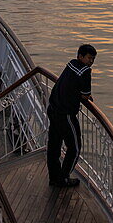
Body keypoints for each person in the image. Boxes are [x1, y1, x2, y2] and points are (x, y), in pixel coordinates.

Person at [47, 43, 97, 187]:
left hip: (53, 108)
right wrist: (86, 96)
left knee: (54, 146)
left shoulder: (71, 64)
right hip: (65, 113)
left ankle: (54, 177)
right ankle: (63, 178)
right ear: (80, 56)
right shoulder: (85, 71)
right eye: (89, 58)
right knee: (74, 147)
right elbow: (85, 95)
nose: (91, 61)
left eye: (93, 59)